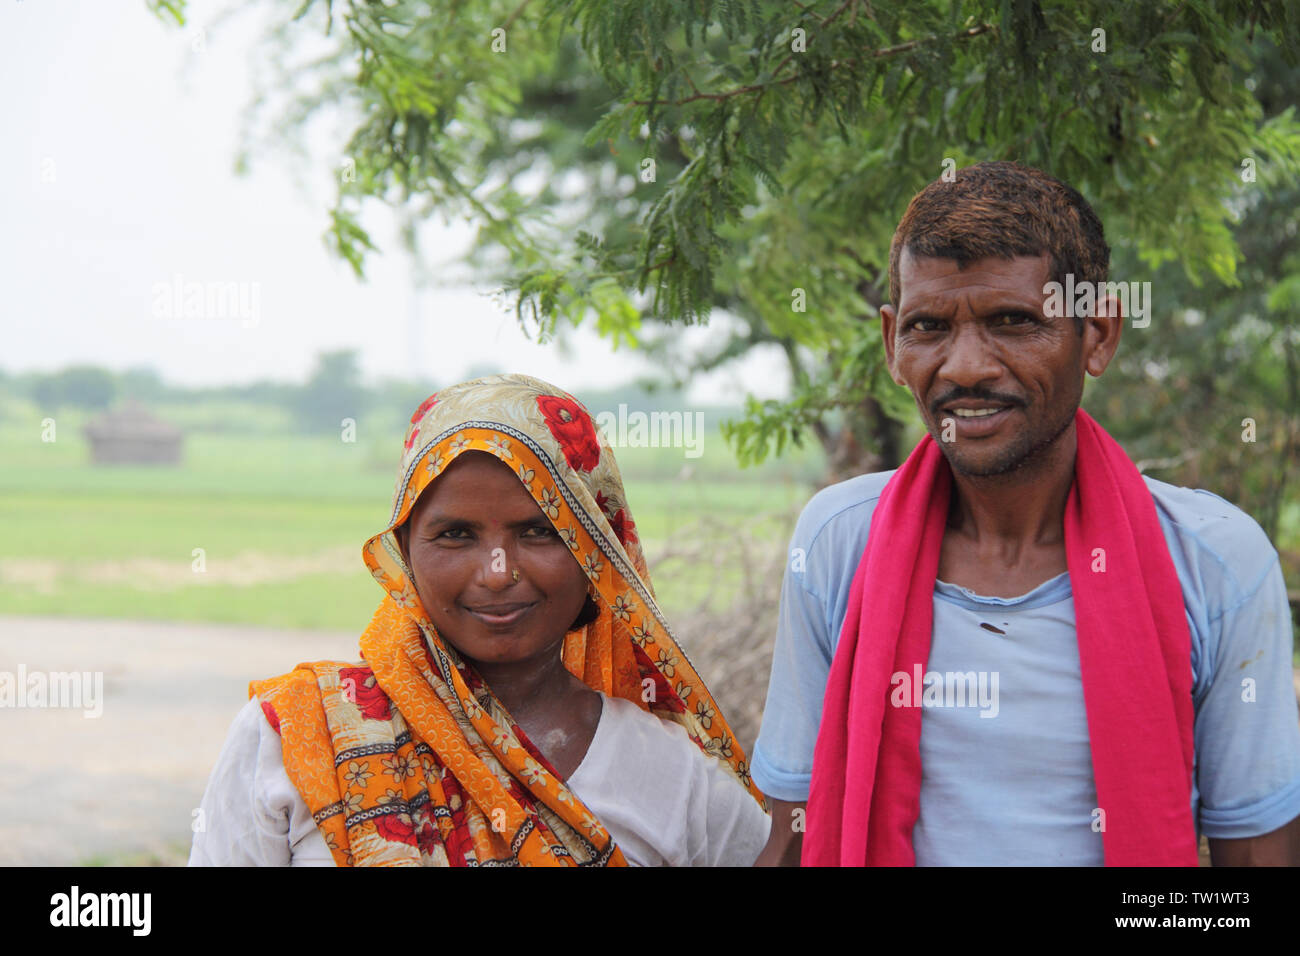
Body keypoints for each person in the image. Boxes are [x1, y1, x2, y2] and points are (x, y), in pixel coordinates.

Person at [752, 161, 1300, 866]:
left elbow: (1256, 861)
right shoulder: (838, 543)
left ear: (1098, 334)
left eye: (1013, 322)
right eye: (929, 326)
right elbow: (791, 838)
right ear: (892, 343)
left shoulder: (1214, 560)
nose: (967, 366)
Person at [190, 373, 769, 866]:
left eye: (539, 531)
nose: (496, 572)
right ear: (405, 553)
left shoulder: (678, 780)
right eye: (455, 534)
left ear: (597, 552)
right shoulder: (295, 737)